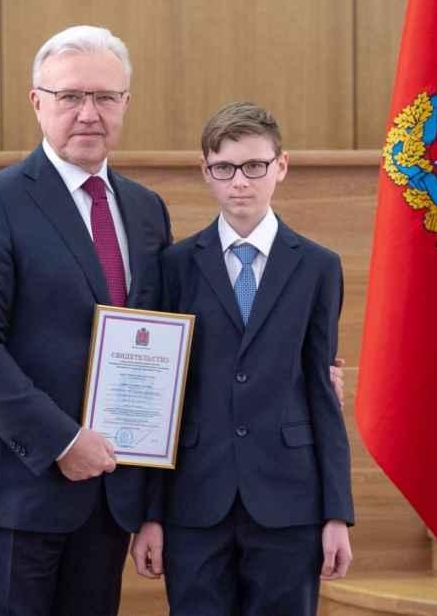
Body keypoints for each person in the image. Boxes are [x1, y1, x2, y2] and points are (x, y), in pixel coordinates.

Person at [0, 25, 172, 615]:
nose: (88, 113)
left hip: (109, 496)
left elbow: (165, 341)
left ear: (126, 103)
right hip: (15, 492)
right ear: (37, 102)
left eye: (104, 96)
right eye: (70, 96)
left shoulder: (146, 209)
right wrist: (63, 441)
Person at [131, 102, 355, 615]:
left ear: (281, 166)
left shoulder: (318, 267)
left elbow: (322, 391)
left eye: (254, 166)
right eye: (224, 168)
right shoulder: (174, 266)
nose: (239, 182)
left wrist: (336, 512)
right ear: (204, 171)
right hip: (194, 499)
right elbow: (159, 395)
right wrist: (151, 513)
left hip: (290, 500)